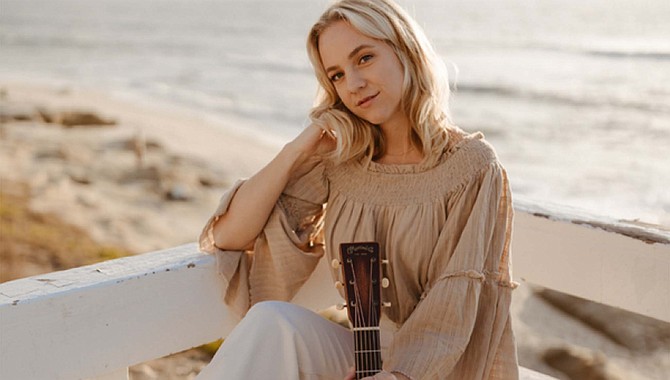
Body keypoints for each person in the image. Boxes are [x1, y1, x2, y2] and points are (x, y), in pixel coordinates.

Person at [196, 0, 518, 379]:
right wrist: (295, 151)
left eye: (364, 58)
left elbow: (457, 301)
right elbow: (230, 236)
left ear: (405, 49)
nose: (354, 84)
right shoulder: (344, 162)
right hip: (364, 353)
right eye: (336, 75)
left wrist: (396, 375)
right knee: (271, 322)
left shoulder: (471, 165)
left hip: (442, 364)